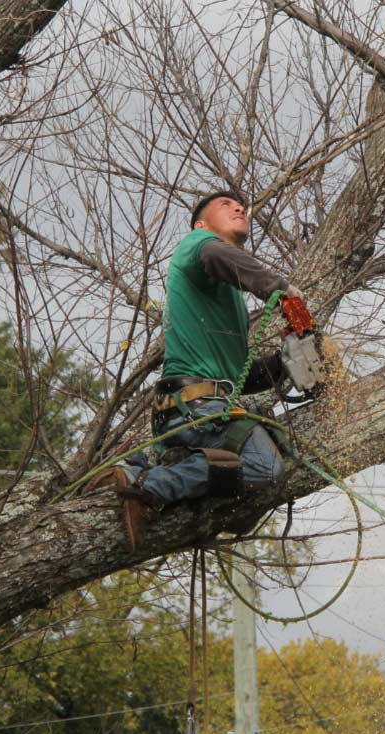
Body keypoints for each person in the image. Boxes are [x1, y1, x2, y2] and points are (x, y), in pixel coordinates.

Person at [105, 190, 301, 550]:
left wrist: (285, 361)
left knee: (262, 460)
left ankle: (136, 466)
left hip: (199, 408)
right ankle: (149, 487)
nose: (239, 207)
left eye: (241, 205)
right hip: (195, 407)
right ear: (201, 224)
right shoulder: (197, 246)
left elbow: (241, 374)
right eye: (226, 206)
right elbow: (216, 254)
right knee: (265, 467)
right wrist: (283, 292)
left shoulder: (230, 301)